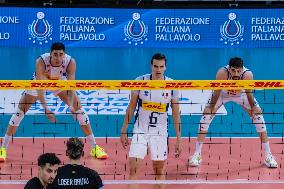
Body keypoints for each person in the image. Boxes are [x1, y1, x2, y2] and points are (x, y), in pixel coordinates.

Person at [0, 42, 108, 162]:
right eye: (55, 54)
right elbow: (41, 87)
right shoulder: (41, 61)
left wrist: (72, 105)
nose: (57, 58)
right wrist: (45, 108)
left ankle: (94, 147)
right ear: (50, 54)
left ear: (64, 54)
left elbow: (71, 85)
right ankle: (3, 148)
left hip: (59, 82)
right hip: (40, 81)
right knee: (19, 113)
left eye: (60, 54)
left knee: (79, 110)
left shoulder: (70, 62)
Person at [189, 57, 278, 168]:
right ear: (229, 68)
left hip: (241, 95)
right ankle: (197, 154)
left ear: (242, 69)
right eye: (233, 70)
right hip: (223, 93)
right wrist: (211, 107)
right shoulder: (222, 73)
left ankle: (268, 156)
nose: (236, 73)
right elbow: (216, 91)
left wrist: (254, 108)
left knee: (259, 119)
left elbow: (249, 93)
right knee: (205, 118)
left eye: (238, 71)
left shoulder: (247, 75)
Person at [120, 53, 182, 189]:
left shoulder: (172, 85)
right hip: (140, 130)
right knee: (133, 169)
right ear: (151, 66)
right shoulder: (139, 81)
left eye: (161, 67)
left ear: (165, 67)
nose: (158, 70)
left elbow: (176, 114)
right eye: (155, 66)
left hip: (160, 133)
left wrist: (179, 139)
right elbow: (131, 107)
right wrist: (124, 130)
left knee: (159, 171)